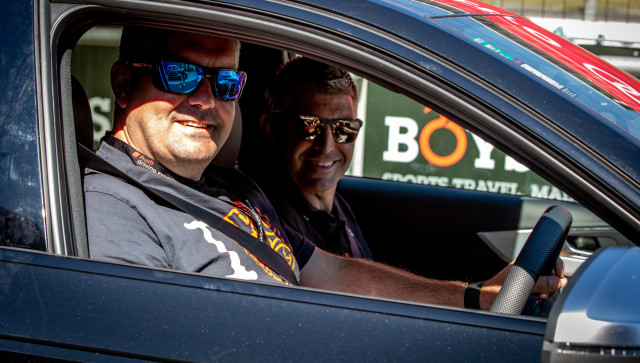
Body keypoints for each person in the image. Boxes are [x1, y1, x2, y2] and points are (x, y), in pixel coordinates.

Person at [83, 25, 566, 310]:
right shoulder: (109, 208)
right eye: (181, 74)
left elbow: (334, 275)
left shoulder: (236, 190)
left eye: (225, 82)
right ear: (124, 85)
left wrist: (474, 297)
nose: (206, 99)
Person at [258, 58, 371, 259]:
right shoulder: (266, 221)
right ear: (272, 128)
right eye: (309, 126)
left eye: (344, 128)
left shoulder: (339, 208)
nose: (326, 146)